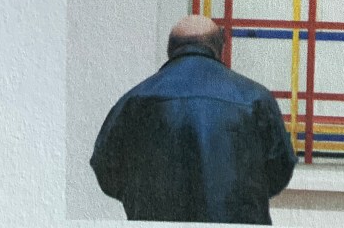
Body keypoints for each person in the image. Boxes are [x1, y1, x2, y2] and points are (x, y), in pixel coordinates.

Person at [90, 15, 297, 223]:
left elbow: (106, 168)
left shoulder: (136, 100)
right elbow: (280, 169)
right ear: (219, 48)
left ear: (170, 50)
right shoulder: (254, 98)